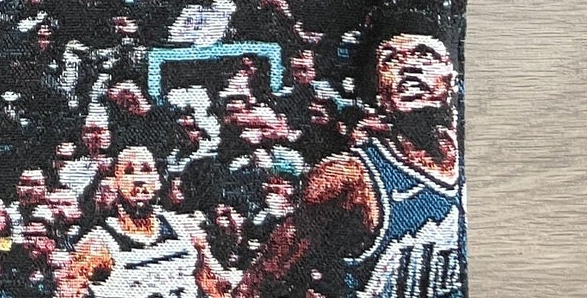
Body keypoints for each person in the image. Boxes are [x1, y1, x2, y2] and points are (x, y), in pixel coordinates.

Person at [238, 31, 462, 298]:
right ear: (380, 95)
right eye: (391, 60)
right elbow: (264, 276)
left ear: (452, 78)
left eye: (425, 55)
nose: (408, 67)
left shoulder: (471, 157)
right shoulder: (348, 176)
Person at [58, 145, 232, 297]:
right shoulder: (97, 244)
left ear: (157, 181)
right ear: (115, 183)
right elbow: (67, 292)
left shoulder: (186, 229)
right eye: (128, 172)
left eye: (146, 170)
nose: (139, 179)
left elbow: (218, 288)